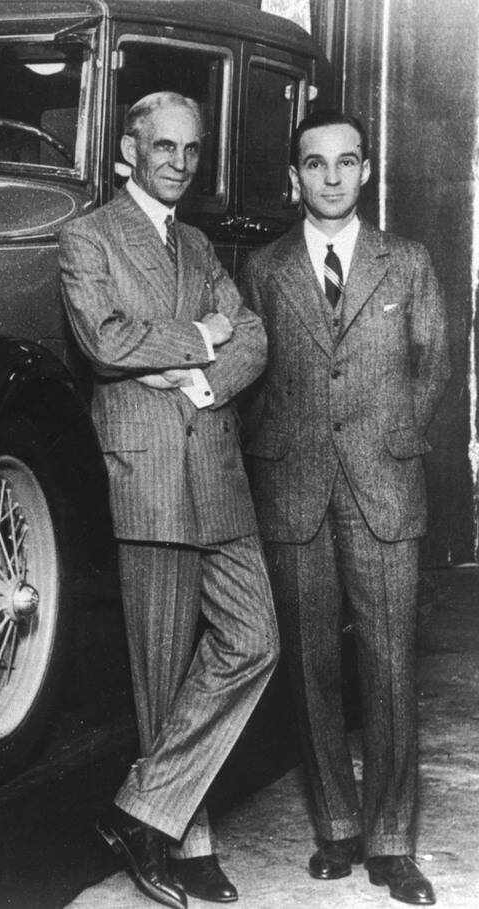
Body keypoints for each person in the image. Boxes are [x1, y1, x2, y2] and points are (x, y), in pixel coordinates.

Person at [60, 91, 278, 908]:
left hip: (214, 465)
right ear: (130, 149)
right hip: (147, 471)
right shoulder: (89, 236)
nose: (180, 163)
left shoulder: (198, 243)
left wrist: (197, 379)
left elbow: (253, 334)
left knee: (255, 639)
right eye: (164, 147)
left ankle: (140, 809)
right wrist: (199, 335)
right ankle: (189, 841)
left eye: (191, 150)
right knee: (161, 670)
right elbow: (105, 339)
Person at [240, 110, 449, 906]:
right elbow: (253, 374)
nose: (331, 177)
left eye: (345, 162)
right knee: (310, 665)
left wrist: (392, 438)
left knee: (390, 666)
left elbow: (434, 365)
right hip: (294, 490)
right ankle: (335, 824)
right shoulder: (264, 268)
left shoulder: (409, 262)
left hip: (383, 488)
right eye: (315, 163)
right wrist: (274, 448)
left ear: (365, 170)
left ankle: (391, 840)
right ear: (295, 176)